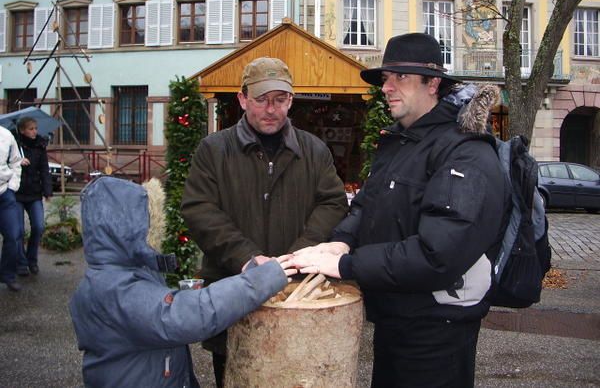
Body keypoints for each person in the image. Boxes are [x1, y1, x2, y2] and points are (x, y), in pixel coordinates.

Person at [291, 33, 511, 388]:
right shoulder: (402, 142)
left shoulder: (464, 153)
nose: (387, 87)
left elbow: (437, 254)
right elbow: (368, 203)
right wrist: (342, 242)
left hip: (437, 330)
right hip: (395, 319)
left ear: (433, 83)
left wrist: (346, 266)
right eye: (385, 78)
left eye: (400, 77)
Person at [181, 56, 348, 387]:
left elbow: (332, 202)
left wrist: (302, 253)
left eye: (280, 99)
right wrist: (245, 258)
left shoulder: (314, 150)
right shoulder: (214, 150)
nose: (271, 109)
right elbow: (199, 209)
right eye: (261, 99)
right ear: (243, 99)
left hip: (298, 297)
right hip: (233, 296)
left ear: (291, 99)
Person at [69, 176, 296, 388]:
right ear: (125, 228)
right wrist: (264, 278)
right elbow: (194, 314)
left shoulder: (118, 272)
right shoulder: (116, 289)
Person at [15, 117, 52, 276]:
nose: (34, 131)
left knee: (38, 226)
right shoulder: (14, 145)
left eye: (36, 128)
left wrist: (47, 191)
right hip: (16, 193)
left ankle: (32, 260)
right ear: (22, 130)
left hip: (34, 193)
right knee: (18, 231)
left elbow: (45, 169)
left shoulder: (40, 146)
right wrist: (18, 161)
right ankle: (21, 263)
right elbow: (5, 164)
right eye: (31, 129)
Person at [0, 125, 23, 292]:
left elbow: (16, 161)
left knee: (13, 235)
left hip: (4, 193)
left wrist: (12, 187)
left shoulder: (6, 135)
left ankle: (7, 275)